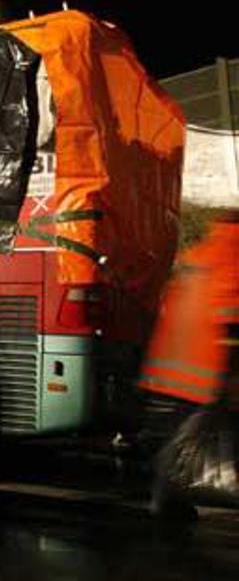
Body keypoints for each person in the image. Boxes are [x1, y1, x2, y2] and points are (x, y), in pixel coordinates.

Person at [140, 211, 239, 527]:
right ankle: (168, 502)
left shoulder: (197, 254)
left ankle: (166, 502)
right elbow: (230, 316)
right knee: (195, 440)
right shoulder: (233, 255)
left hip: (169, 366)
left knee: (182, 442)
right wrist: (230, 375)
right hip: (205, 371)